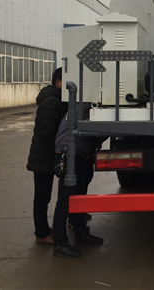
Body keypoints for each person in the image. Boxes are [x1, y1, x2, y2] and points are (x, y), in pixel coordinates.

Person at [51, 110, 105, 258]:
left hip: (76, 152)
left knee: (77, 197)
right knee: (65, 200)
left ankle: (81, 234)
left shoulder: (80, 106)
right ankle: (60, 243)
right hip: (69, 154)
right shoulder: (86, 108)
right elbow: (97, 131)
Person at [26, 67, 67, 245]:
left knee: (43, 195)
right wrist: (58, 152)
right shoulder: (52, 102)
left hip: (43, 155)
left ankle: (43, 229)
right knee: (42, 197)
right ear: (58, 82)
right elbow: (48, 133)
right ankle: (42, 233)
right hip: (43, 157)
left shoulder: (54, 99)